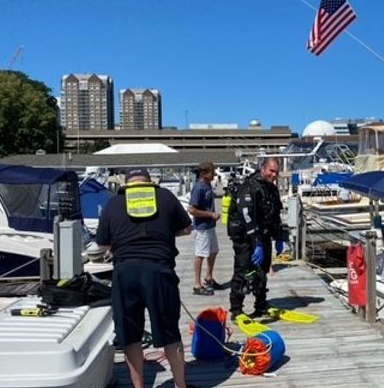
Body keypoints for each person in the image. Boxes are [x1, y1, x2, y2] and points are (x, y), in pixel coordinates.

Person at [96, 168, 193, 388]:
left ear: (128, 183)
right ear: (149, 183)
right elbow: (187, 229)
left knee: (130, 335)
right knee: (170, 332)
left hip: (125, 272)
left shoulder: (113, 203)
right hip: (159, 271)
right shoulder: (166, 197)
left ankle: (139, 387)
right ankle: (180, 385)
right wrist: (165, 233)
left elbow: (102, 243)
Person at [227, 157, 286, 320]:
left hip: (263, 234)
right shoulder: (249, 187)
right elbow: (246, 216)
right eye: (271, 171)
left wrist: (280, 237)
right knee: (243, 270)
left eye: (276, 172)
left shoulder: (272, 189)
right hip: (245, 237)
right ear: (263, 169)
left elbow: (275, 214)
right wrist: (257, 243)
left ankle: (261, 304)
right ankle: (236, 309)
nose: (273, 175)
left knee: (262, 270)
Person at [188, 161, 221, 295]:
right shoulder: (199, 188)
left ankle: (209, 277)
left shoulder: (208, 185)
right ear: (204, 173)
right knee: (200, 254)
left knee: (213, 251)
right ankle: (197, 284)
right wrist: (210, 214)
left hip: (210, 226)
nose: (214, 175)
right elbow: (192, 210)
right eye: (212, 172)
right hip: (202, 227)